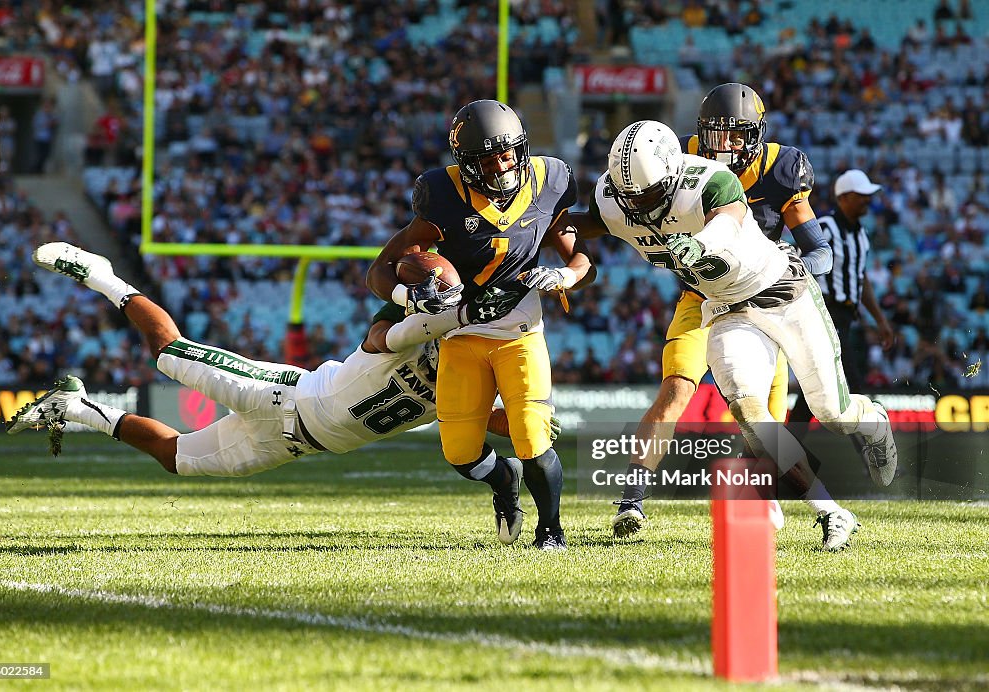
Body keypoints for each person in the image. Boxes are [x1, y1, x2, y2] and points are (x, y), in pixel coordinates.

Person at [572, 120, 897, 551]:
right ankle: (832, 511)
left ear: (669, 177)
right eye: (628, 195)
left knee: (830, 411)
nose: (637, 207)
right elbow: (573, 223)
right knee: (750, 413)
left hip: (784, 293)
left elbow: (729, 215)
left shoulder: (709, 181)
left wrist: (701, 243)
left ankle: (872, 421)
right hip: (725, 310)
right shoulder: (616, 198)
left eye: (647, 195)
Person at [8, 243, 557, 482]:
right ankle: (102, 274)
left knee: (173, 458)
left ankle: (76, 408)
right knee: (170, 355)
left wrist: (530, 427)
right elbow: (385, 332)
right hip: (283, 395)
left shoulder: (465, 370)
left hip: (292, 444)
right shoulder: (394, 331)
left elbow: (484, 420)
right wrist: (428, 294)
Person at [366, 100, 595, 551]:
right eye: (489, 159)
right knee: (460, 453)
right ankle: (504, 480)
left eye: (509, 154)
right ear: (466, 165)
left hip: (519, 334)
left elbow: (583, 259)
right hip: (459, 334)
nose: (504, 166)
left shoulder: (549, 182)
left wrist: (565, 276)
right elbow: (382, 269)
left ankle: (551, 531)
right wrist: (408, 295)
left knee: (531, 436)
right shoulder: (443, 194)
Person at [788, 169, 895, 468]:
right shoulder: (824, 227)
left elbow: (861, 279)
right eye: (862, 196)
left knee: (814, 392)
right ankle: (873, 453)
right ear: (844, 196)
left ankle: (782, 453)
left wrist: (880, 320)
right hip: (825, 311)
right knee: (848, 379)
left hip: (847, 316)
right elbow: (800, 265)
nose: (867, 202)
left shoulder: (860, 234)